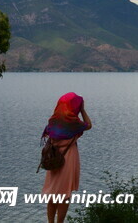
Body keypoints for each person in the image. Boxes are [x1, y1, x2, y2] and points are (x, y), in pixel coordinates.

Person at [41, 92, 92, 223]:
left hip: (53, 160)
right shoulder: (74, 123)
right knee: (64, 195)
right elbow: (89, 125)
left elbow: (48, 134)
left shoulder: (53, 121)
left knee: (53, 194)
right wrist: (82, 110)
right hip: (68, 160)